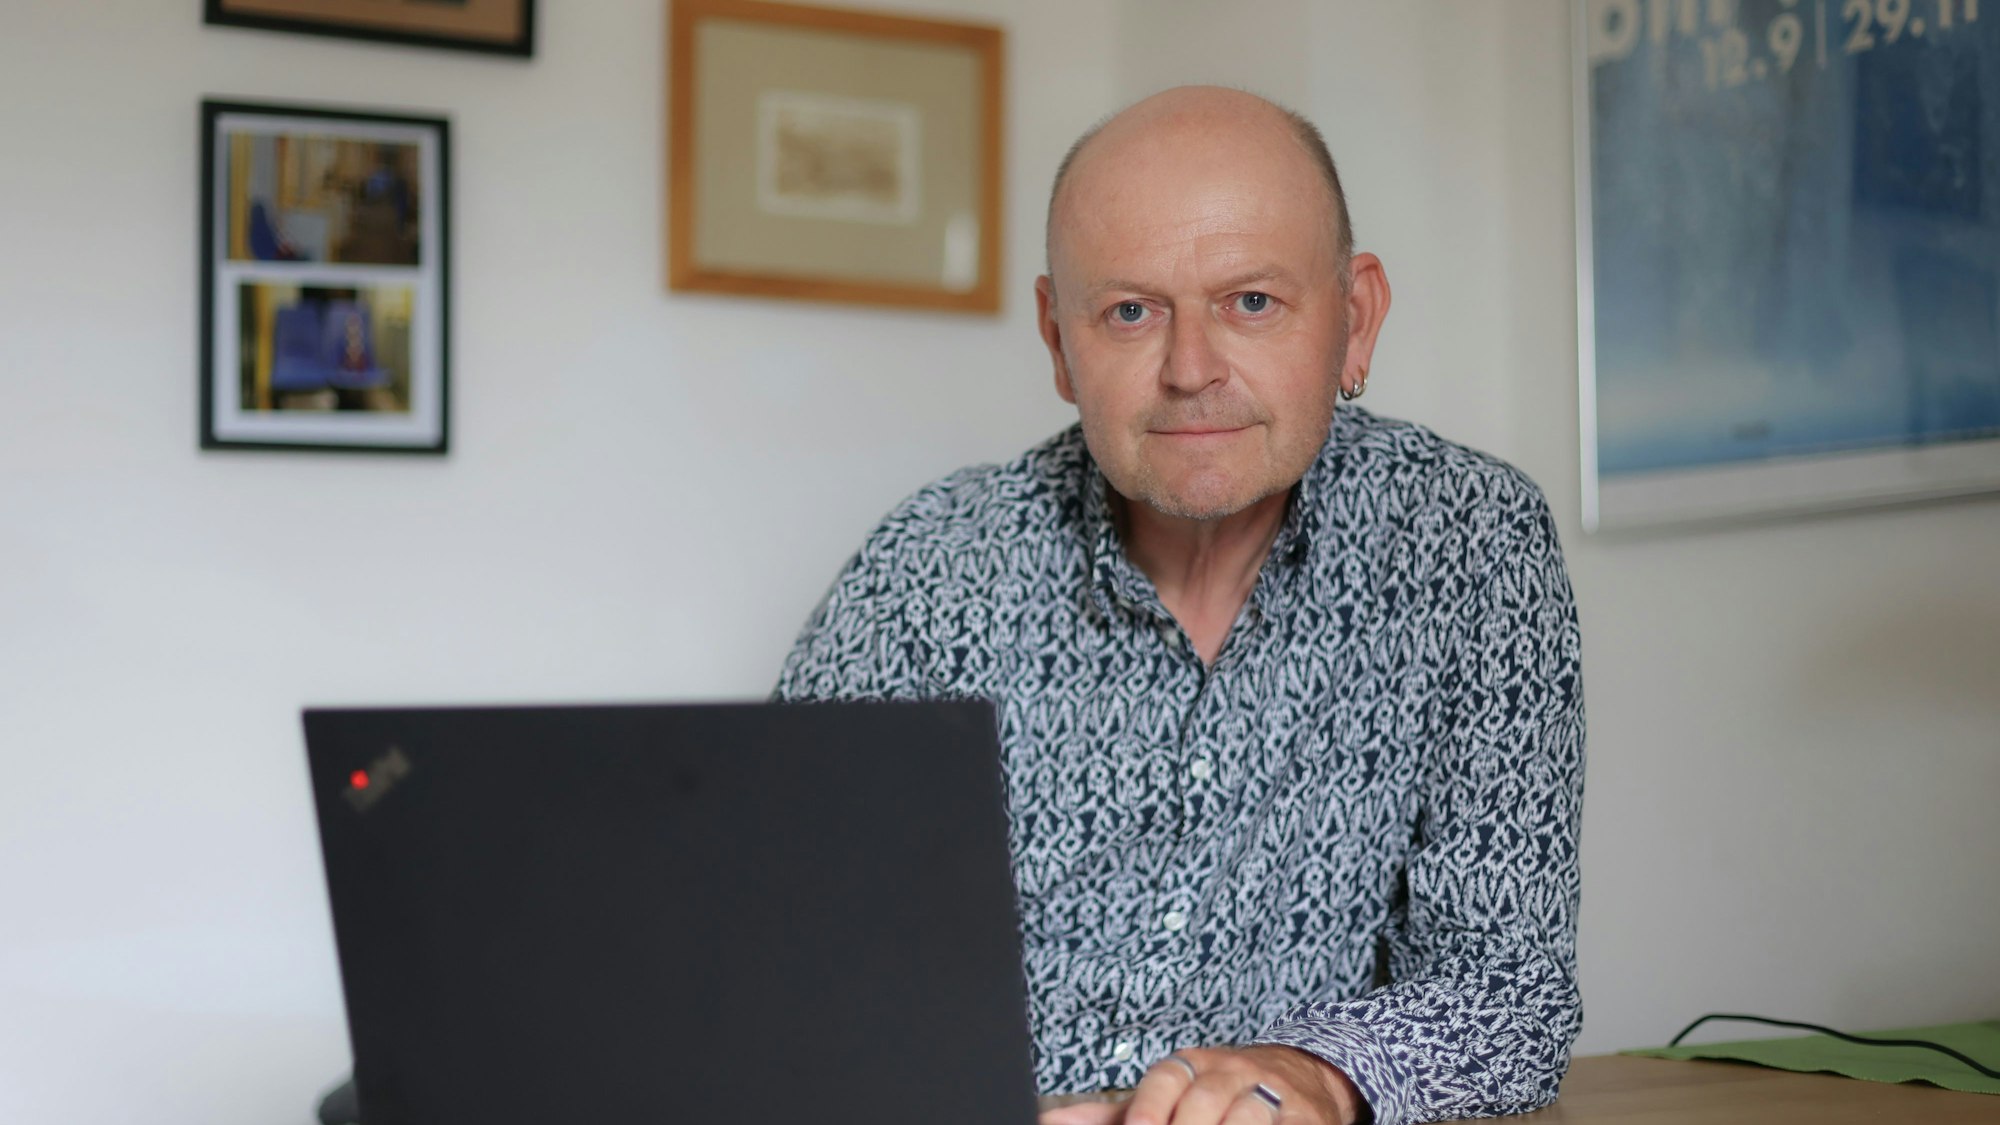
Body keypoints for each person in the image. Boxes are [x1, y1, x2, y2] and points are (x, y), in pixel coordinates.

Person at [775, 86, 1584, 1125]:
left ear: (1355, 317)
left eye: (1250, 302)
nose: (1190, 370)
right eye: (1129, 311)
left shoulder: (1471, 542)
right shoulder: (925, 569)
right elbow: (778, 954)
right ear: (1058, 343)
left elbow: (1509, 994)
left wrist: (1315, 1075)